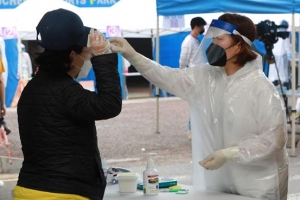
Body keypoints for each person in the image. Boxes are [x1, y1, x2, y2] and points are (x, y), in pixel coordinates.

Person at [109, 13, 288, 200]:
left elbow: (274, 139)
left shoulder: (261, 88)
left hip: (257, 187)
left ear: (239, 46)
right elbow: (167, 77)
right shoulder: (207, 77)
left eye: (220, 39)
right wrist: (134, 56)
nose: (213, 44)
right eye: (213, 38)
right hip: (219, 185)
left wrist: (230, 153)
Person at [14, 9, 122, 200]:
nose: (88, 58)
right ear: (73, 56)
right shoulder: (66, 91)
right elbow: (109, 104)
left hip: (27, 189)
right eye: (87, 53)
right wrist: (103, 57)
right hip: (65, 193)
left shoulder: (32, 88)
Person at [179, 17, 206, 139]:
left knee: (201, 104)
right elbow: (183, 61)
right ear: (196, 26)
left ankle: (198, 129)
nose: (203, 29)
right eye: (202, 26)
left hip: (200, 77)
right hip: (193, 78)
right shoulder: (188, 42)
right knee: (195, 104)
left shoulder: (196, 41)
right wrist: (184, 77)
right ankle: (191, 130)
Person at [268, 20, 291, 89]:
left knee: (274, 70)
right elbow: (286, 45)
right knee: (283, 70)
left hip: (274, 53)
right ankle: (285, 84)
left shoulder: (275, 31)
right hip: (282, 54)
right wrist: (289, 53)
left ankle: (274, 82)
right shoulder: (285, 33)